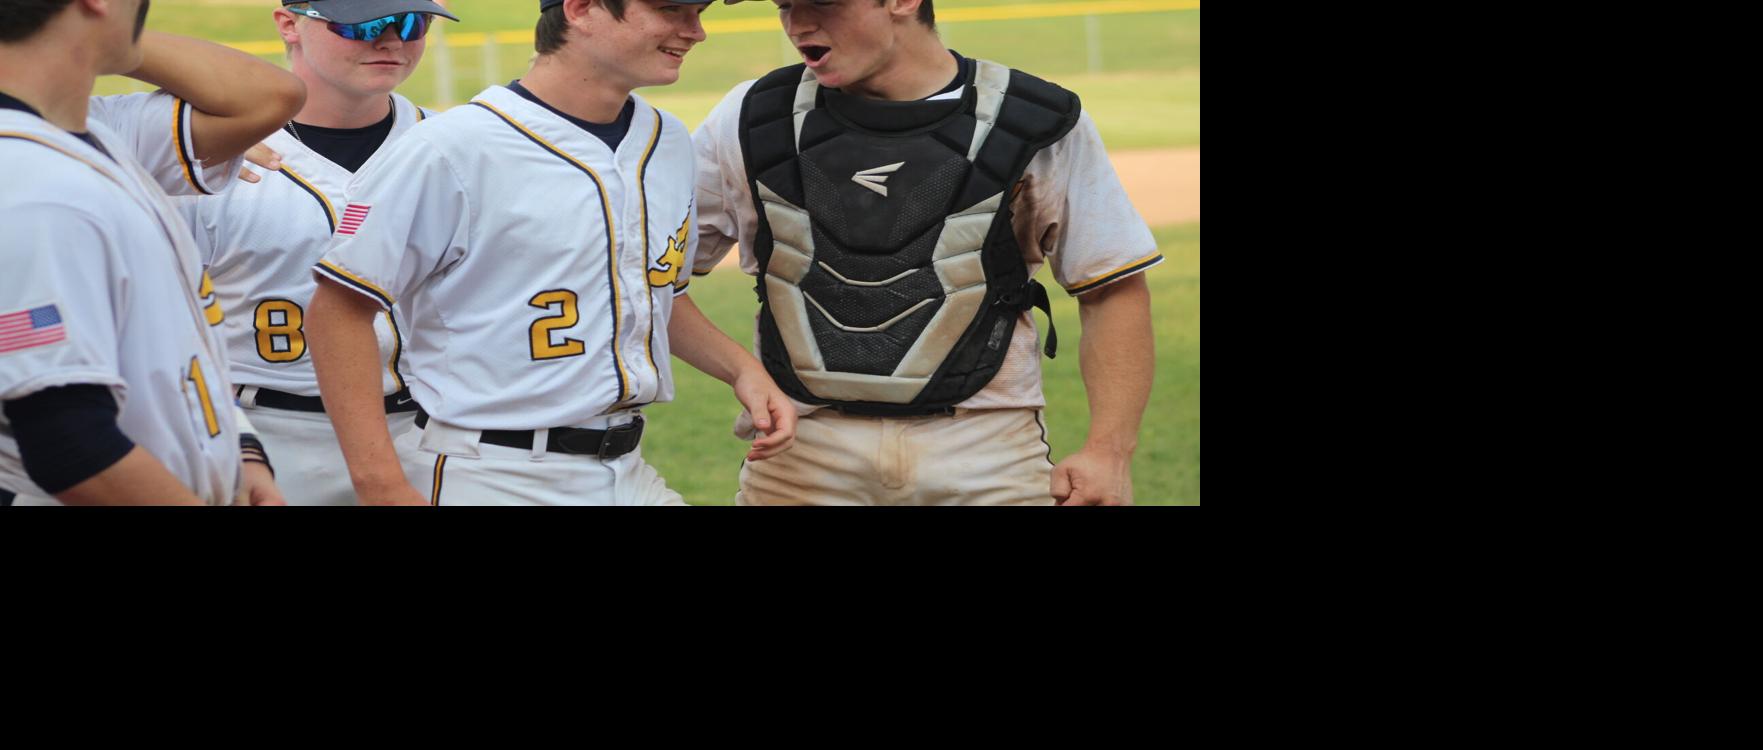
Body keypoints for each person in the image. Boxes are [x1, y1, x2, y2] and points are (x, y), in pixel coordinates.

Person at [306, 0, 796, 505]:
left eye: (699, 11)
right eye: (671, 9)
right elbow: (338, 310)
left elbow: (655, 294)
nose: (695, 31)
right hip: (492, 473)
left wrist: (742, 369)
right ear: (581, 9)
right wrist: (379, 482)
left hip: (627, 467)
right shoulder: (451, 148)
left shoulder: (666, 139)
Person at [690, 0, 1158, 506]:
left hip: (985, 451)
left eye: (822, 2)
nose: (797, 23)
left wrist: (1109, 452)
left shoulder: (1032, 120)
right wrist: (741, 369)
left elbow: (1112, 288)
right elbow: (650, 272)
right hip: (801, 451)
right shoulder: (752, 117)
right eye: (785, 5)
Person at [1, 0, 306, 505]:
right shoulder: (32, 184)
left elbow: (165, 355)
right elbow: (68, 443)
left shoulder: (88, 134)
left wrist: (240, 452)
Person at [176, 0, 457, 505]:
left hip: (435, 436)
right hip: (270, 437)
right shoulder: (201, 158)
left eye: (412, 21)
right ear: (289, 25)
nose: (391, 39)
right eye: (363, 23)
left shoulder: (456, 147)